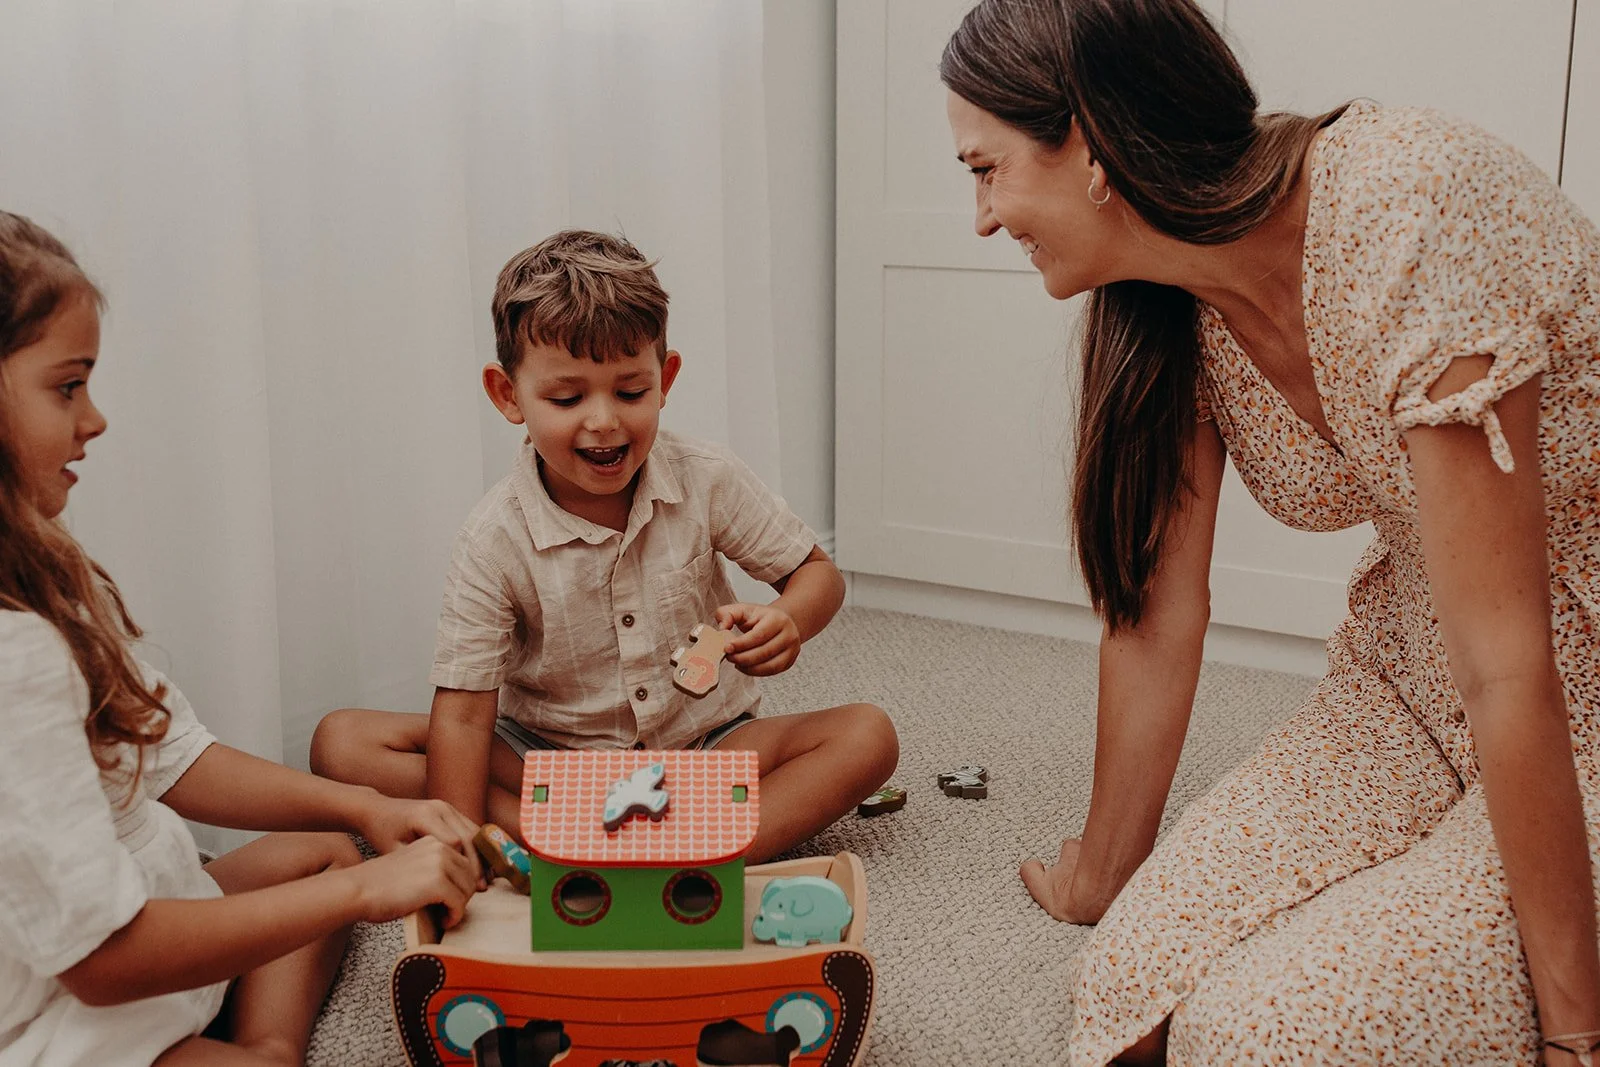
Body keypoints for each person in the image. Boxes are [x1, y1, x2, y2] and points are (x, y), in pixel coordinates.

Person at [941, 0, 1600, 1063]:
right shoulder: (1168, 302)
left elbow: (1510, 665)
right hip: (1419, 673)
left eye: (986, 168)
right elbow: (1154, 613)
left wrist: (1578, 1031)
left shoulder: (1405, 204)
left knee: (1263, 1032)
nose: (978, 216)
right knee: (1125, 990)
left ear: (1094, 144)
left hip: (1570, 691)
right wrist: (1104, 873)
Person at [0, 210, 482, 1067]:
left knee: (325, 855)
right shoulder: (14, 661)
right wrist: (372, 889)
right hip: (68, 1009)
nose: (96, 418)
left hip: (147, 899)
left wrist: (366, 808)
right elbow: (104, 964)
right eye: (68, 386)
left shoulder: (38, 564)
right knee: (347, 883)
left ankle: (262, 1042)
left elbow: (167, 754)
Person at [311, 229, 898, 864]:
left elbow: (816, 574)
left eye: (630, 391)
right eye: (566, 397)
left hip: (704, 750)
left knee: (868, 735)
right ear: (509, 396)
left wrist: (788, 619)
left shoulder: (707, 477)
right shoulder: (492, 538)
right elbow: (462, 715)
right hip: (548, 760)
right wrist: (462, 849)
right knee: (341, 742)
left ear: (665, 379)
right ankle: (592, 840)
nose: (603, 420)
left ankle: (618, 849)